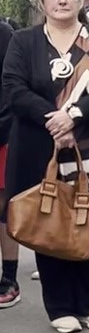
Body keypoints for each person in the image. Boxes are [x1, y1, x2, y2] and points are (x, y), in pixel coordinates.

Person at [1, 0, 89, 332]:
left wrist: (74, 117)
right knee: (51, 224)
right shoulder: (24, 41)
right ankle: (59, 308)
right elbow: (14, 89)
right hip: (42, 153)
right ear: (41, 1)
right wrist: (54, 120)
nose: (61, 0)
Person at [0, 16, 19, 308]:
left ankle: (9, 278)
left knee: (4, 204)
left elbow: (9, 85)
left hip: (2, 131)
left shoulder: (3, 33)